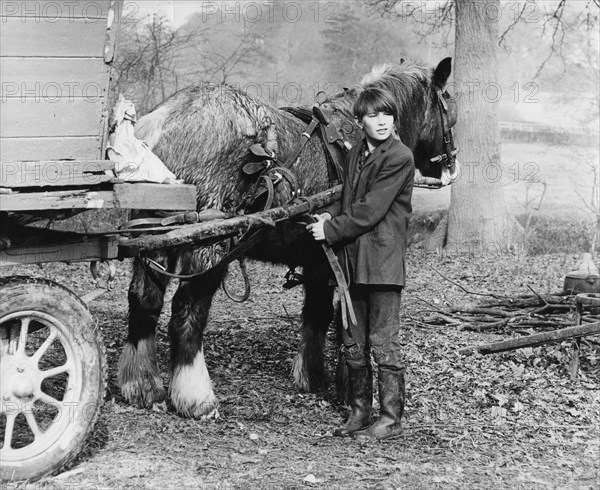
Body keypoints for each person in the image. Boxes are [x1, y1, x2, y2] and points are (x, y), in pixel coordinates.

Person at [306, 86, 415, 440]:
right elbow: (351, 201)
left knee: (383, 343)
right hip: (352, 264)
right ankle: (358, 412)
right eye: (373, 115)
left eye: (387, 115)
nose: (382, 122)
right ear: (360, 120)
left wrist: (331, 230)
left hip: (382, 265)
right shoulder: (355, 156)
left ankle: (390, 419)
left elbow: (370, 210)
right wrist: (327, 215)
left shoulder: (399, 156)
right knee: (353, 342)